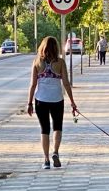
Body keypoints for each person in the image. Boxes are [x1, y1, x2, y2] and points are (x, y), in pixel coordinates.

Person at [27, 36, 77, 169]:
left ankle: (46, 160)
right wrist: (72, 102)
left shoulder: (37, 62)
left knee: (45, 129)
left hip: (41, 100)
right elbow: (66, 83)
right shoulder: (60, 62)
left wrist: (29, 103)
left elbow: (32, 85)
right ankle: (55, 152)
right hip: (57, 99)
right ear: (56, 48)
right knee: (57, 127)